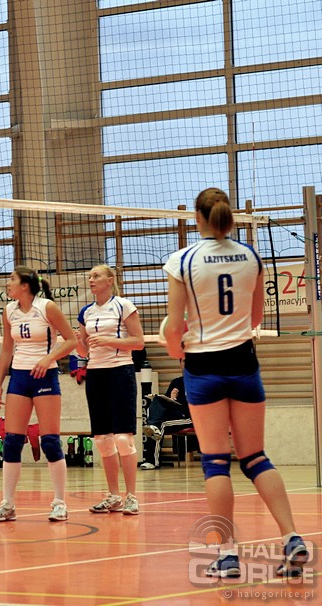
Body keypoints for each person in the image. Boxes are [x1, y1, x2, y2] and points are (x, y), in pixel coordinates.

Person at [163, 187, 307, 578]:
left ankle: (227, 556)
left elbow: (174, 326)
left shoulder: (183, 260)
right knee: (255, 456)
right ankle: (292, 536)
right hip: (243, 362)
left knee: (215, 462)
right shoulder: (250, 256)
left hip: (203, 365)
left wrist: (176, 347)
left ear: (198, 217)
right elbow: (257, 317)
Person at [0, 267, 77, 522]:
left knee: (50, 441)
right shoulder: (9, 311)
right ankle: (8, 504)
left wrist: (48, 358)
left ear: (25, 285)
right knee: (12, 441)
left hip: (45, 376)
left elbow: (71, 340)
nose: (8, 283)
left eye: (12, 279)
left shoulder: (46, 307)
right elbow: (7, 349)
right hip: (19, 377)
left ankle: (59, 503)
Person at [75, 264, 145, 515]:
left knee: (123, 438)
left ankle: (131, 496)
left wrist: (108, 340)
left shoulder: (123, 305)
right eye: (89, 276)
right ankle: (113, 496)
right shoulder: (86, 312)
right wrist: (78, 342)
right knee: (103, 441)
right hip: (96, 374)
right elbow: (83, 352)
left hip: (120, 371)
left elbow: (138, 342)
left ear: (109, 280)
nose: (91, 280)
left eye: (96, 276)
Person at [140, 360, 193, 470]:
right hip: (177, 414)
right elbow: (168, 404)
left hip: (190, 417)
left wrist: (179, 401)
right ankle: (152, 424)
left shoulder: (198, 382)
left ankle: (152, 461)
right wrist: (172, 399)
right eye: (183, 361)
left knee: (160, 425)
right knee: (157, 401)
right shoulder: (176, 382)